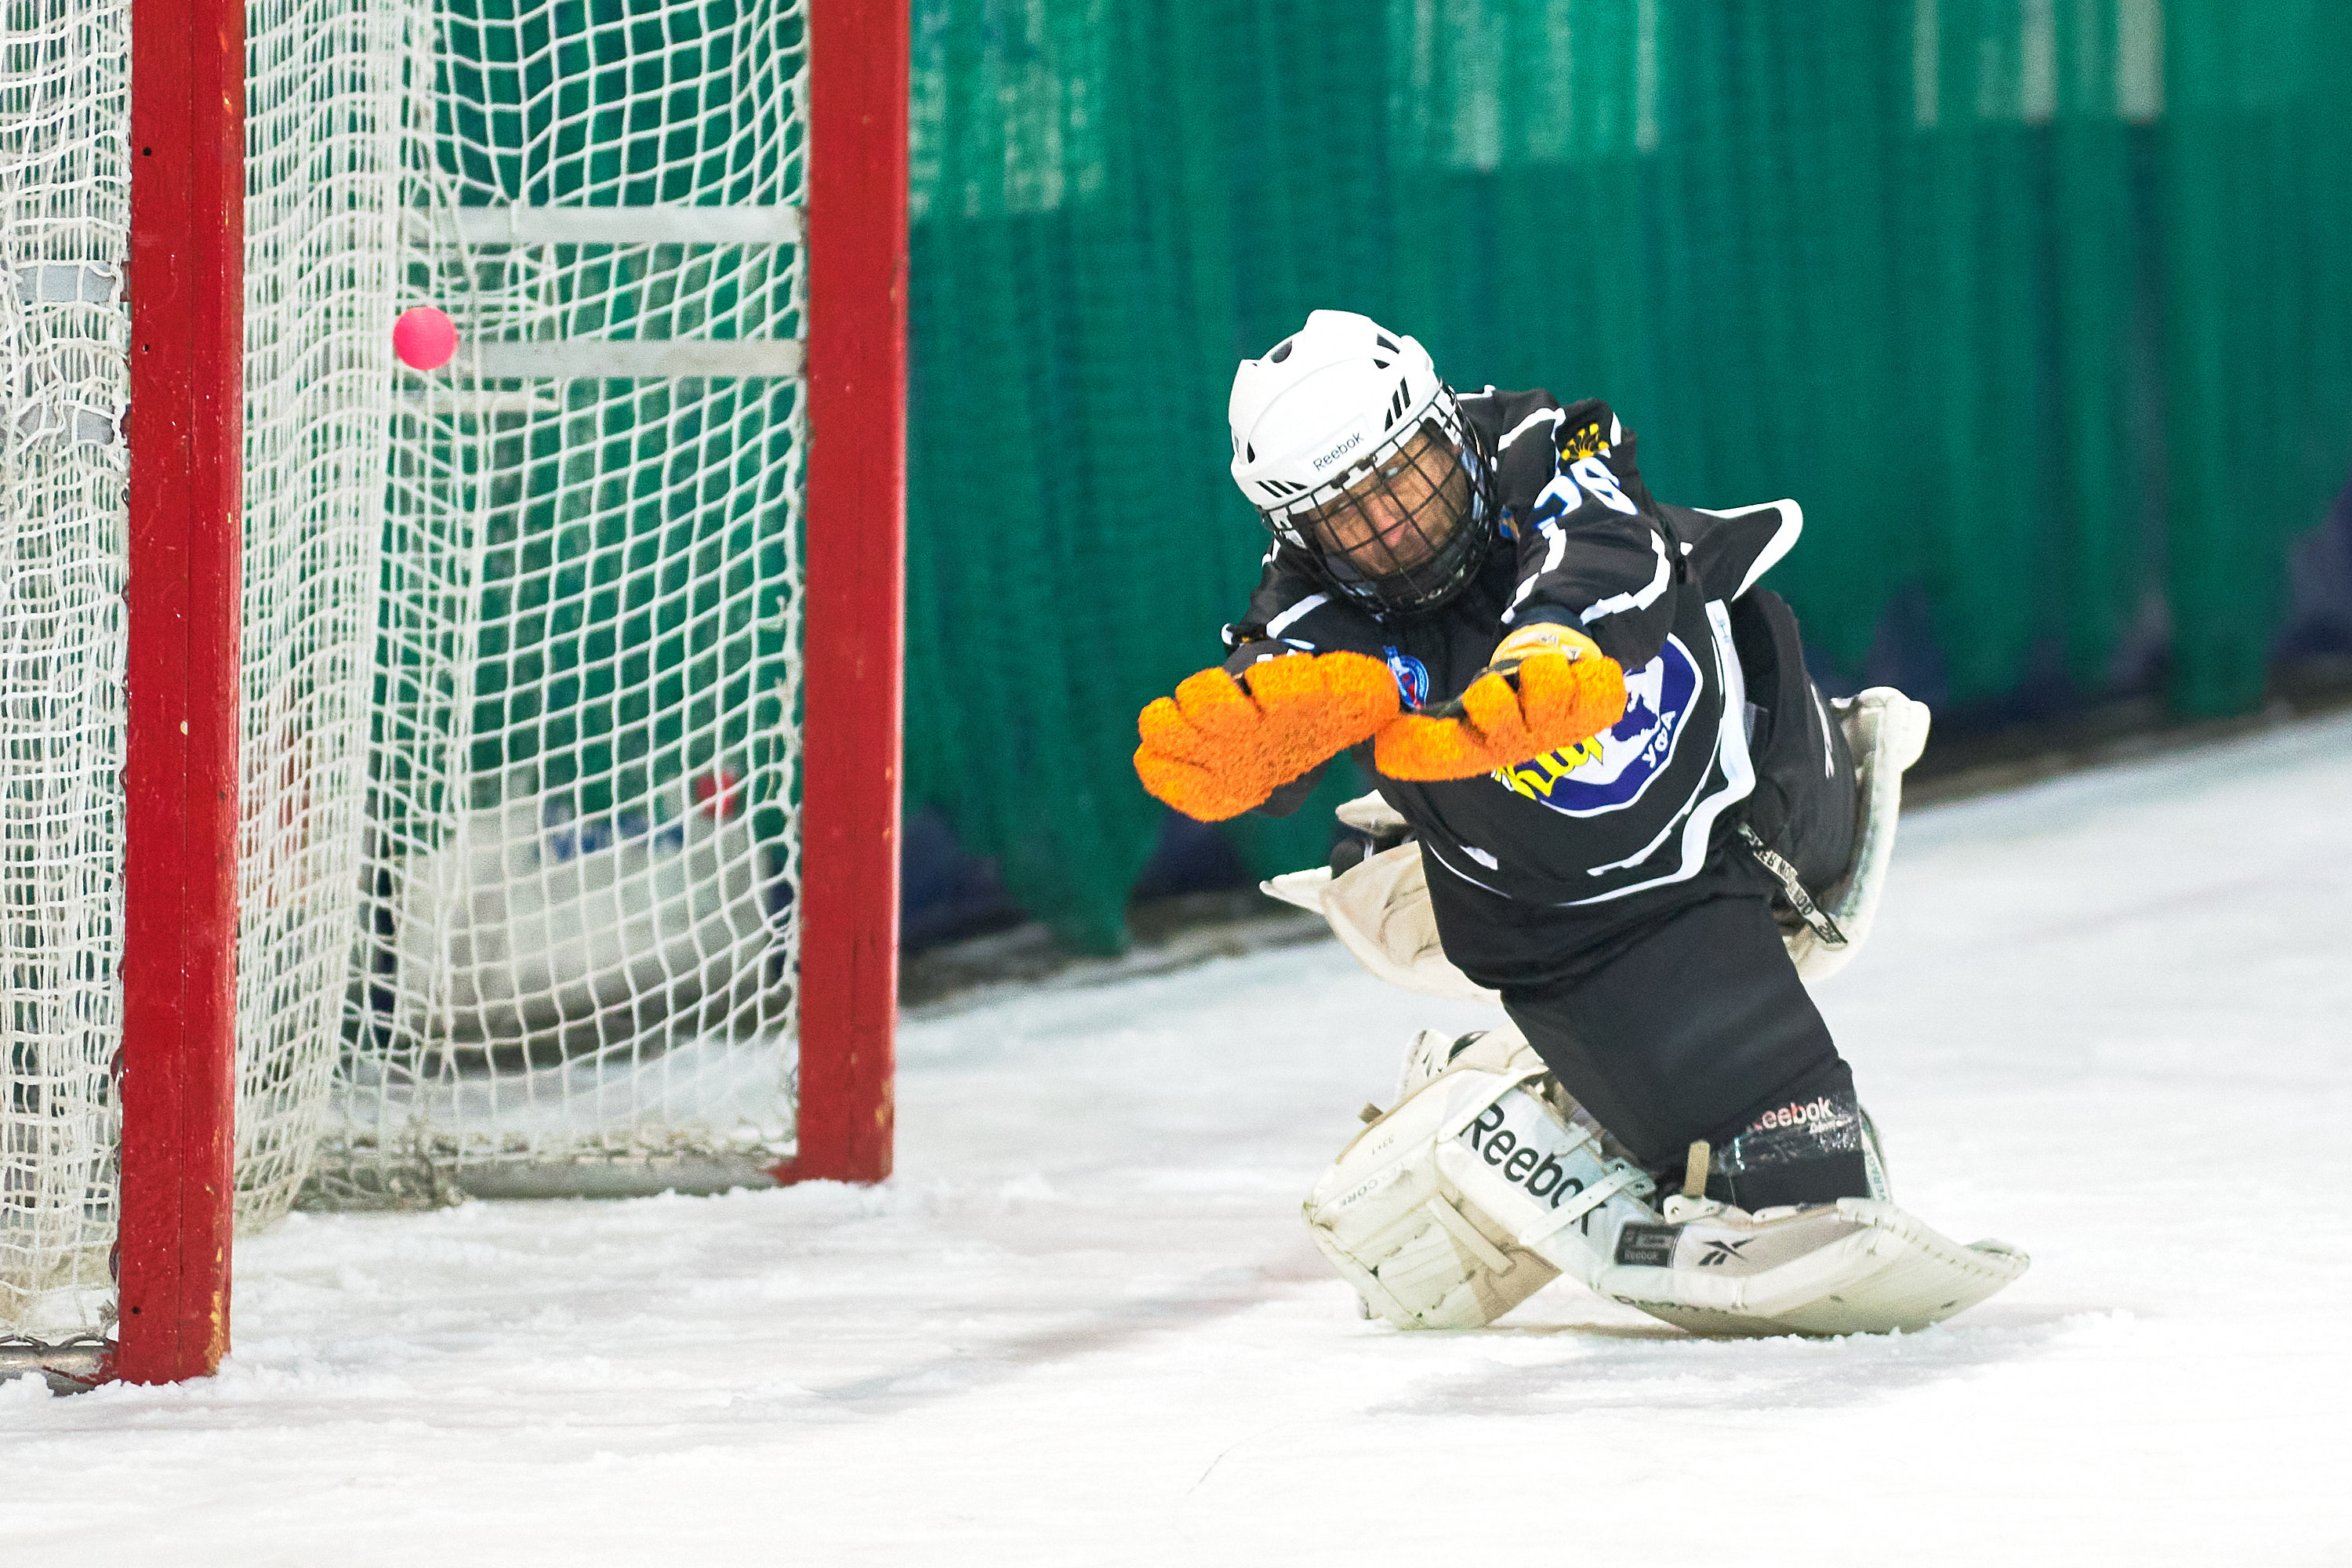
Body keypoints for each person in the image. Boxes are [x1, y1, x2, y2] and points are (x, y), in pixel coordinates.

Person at [1134, 310, 2025, 1334]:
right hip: (1583, 926)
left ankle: (1542, 1090)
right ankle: (1540, 1096)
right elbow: (1283, 674)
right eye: (1352, 518)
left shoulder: (1542, 444)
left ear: (1448, 426)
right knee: (1796, 1167)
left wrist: (1552, 642)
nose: (1397, 528)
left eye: (1408, 477)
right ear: (1299, 534)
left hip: (1755, 796)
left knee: (1779, 1102)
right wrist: (1267, 730)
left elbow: (1607, 543)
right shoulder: (1308, 609)